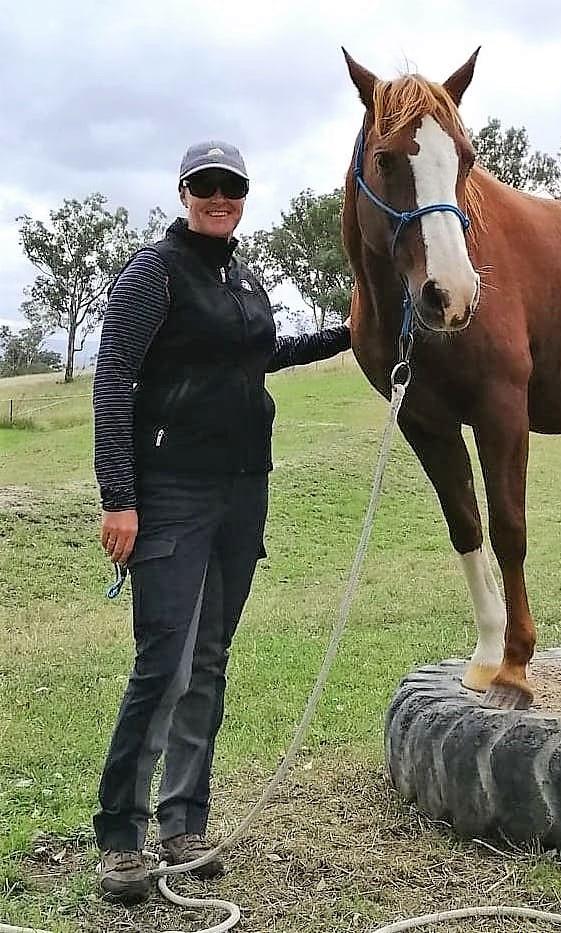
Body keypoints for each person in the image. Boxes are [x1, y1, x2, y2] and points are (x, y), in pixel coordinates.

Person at [92, 139, 351, 903]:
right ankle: (120, 839)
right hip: (171, 492)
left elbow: (262, 352)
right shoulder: (154, 272)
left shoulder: (242, 274)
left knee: (208, 659)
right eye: (205, 185)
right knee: (162, 664)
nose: (219, 197)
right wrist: (119, 496)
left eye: (231, 186)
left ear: (243, 194)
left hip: (244, 490)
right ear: (182, 191)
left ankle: (184, 822)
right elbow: (112, 380)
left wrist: (355, 329)